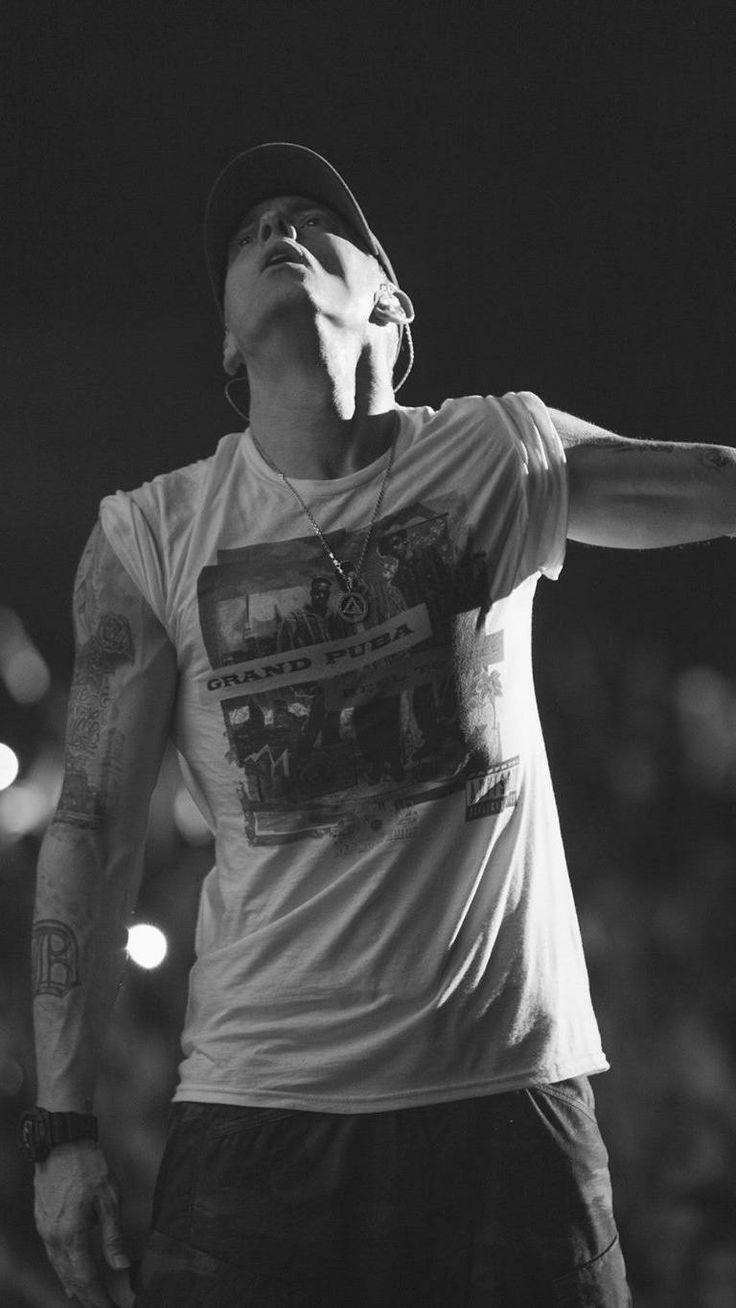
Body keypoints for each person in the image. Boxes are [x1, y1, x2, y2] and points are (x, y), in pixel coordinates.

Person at [23, 141, 736, 1307]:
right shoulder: (151, 537)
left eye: (314, 221)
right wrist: (62, 1129)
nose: (277, 232)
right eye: (250, 234)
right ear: (226, 346)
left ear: (391, 307)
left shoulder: (495, 453)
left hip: (507, 1112)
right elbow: (92, 831)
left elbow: (715, 487)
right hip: (257, 1126)